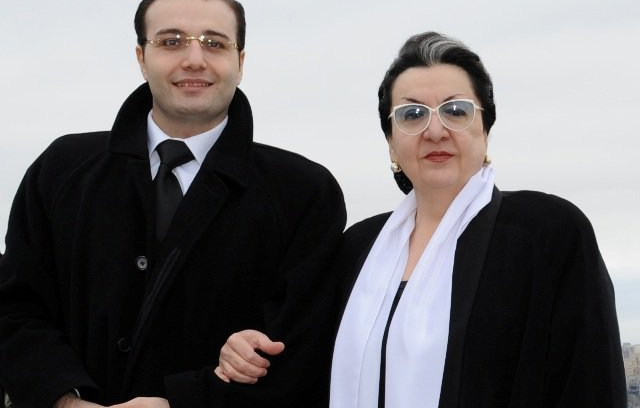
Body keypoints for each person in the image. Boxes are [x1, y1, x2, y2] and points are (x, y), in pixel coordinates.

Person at [215, 31, 627, 407]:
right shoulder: (356, 249)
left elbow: (590, 384)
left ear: (485, 128)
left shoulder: (546, 233)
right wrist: (245, 347)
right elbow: (302, 359)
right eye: (412, 114)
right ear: (391, 142)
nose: (435, 130)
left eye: (456, 110)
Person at [0, 0, 346, 408]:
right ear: (141, 58)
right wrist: (66, 401)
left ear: (241, 61)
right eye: (171, 41)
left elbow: (303, 347)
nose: (194, 59)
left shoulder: (305, 193)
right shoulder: (61, 170)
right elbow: (15, 308)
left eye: (215, 43)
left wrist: (179, 403)